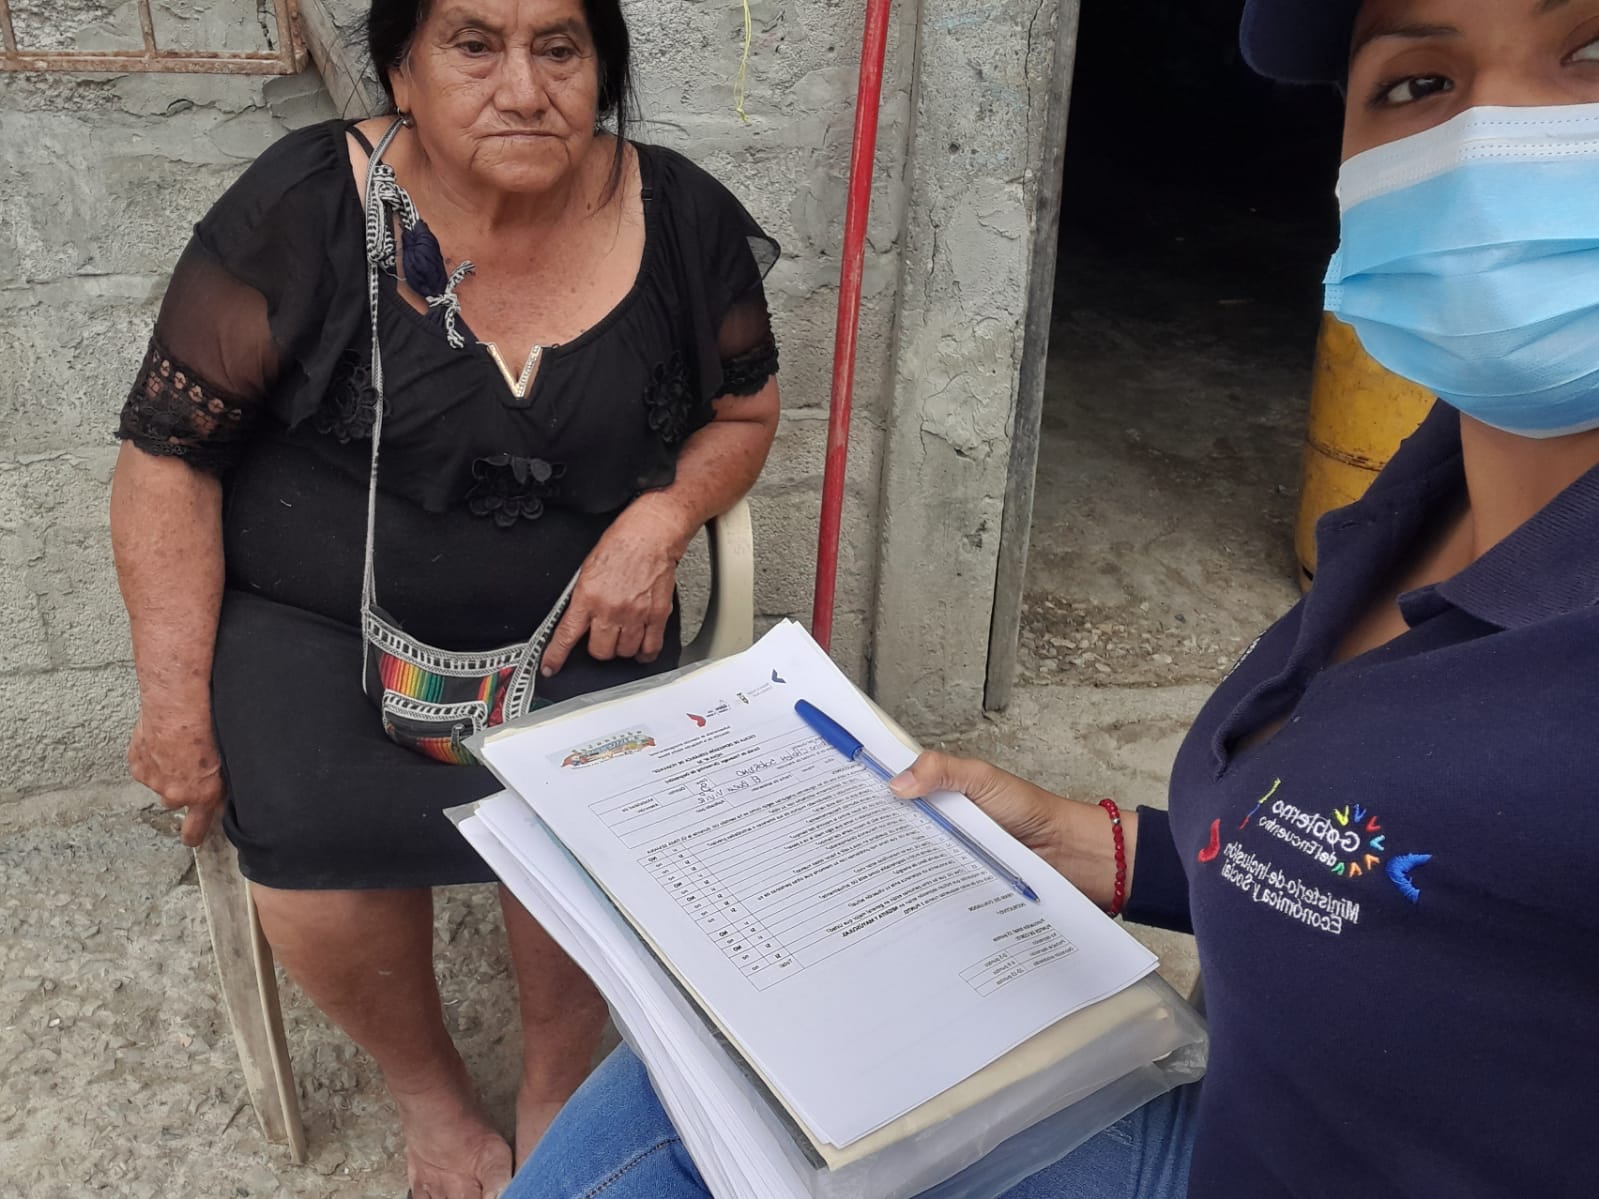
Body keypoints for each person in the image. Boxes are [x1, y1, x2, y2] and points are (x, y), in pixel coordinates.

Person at [503, 1, 1599, 1196]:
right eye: (1417, 82)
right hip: (1247, 1117)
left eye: (1590, 53)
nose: (1492, 140)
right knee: (698, 1077)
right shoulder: (1440, 483)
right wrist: (1104, 846)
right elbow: (1407, 871)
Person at [108, 1, 780, 1195]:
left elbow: (745, 413)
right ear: (403, 73)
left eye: (560, 48)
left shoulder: (680, 216)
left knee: (590, 812)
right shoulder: (306, 208)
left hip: (583, 612)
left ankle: (557, 1084)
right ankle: (430, 1097)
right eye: (475, 46)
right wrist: (172, 706)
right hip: (318, 618)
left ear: (601, 69)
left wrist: (662, 518)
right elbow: (168, 459)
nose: (523, 87)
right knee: (310, 827)